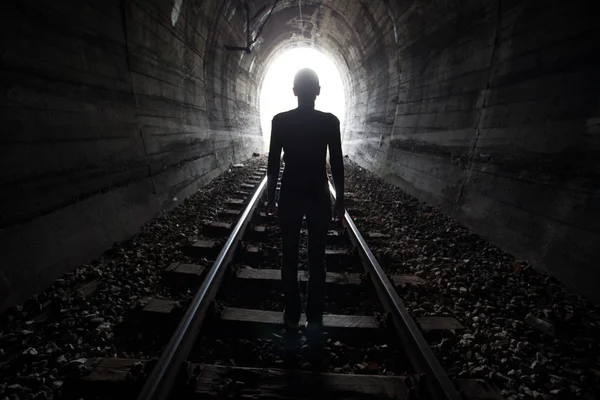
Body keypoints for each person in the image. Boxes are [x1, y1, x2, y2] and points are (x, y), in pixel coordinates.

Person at [265, 68, 344, 332]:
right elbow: (336, 162)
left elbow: (273, 163)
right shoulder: (330, 122)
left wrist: (271, 198)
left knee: (289, 257)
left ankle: (292, 314)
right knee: (316, 259)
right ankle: (315, 317)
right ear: (318, 92)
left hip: (290, 193)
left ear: (294, 91)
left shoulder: (281, 121)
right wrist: (340, 199)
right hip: (319, 193)